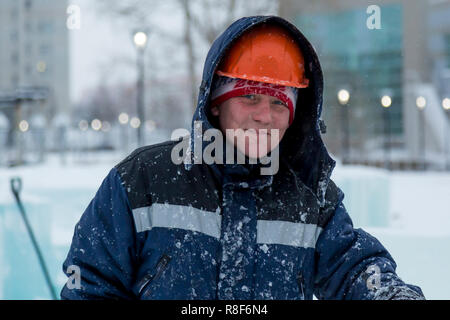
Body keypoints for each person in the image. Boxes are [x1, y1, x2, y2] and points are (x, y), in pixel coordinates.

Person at [61, 15, 425, 300]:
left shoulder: (311, 196)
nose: (264, 116)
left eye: (278, 103)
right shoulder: (142, 180)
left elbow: (355, 268)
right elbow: (90, 283)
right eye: (249, 97)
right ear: (216, 105)